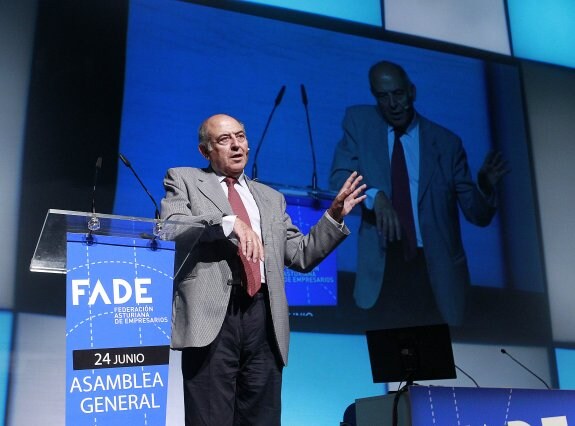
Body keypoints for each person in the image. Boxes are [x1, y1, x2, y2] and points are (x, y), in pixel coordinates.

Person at [160, 113, 366, 425]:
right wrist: (229, 223)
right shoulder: (184, 179)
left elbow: (301, 255)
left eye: (240, 137)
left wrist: (333, 216)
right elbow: (172, 227)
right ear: (206, 151)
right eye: (224, 140)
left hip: (263, 318)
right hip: (213, 317)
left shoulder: (271, 198)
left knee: (262, 419)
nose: (235, 145)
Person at [329, 60, 509, 328]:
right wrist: (376, 197)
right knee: (384, 361)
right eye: (383, 96)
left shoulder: (447, 144)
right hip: (383, 266)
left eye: (398, 94)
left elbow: (477, 215)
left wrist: (484, 185)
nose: (392, 104)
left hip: (434, 273)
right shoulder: (360, 123)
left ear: (412, 92)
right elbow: (338, 179)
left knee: (436, 363)